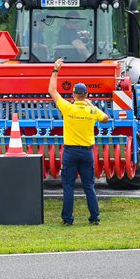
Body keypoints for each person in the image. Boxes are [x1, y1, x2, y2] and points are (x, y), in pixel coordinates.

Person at [48, 57, 109, 225]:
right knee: (89, 186)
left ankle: (67, 219)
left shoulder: (68, 108)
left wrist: (56, 70)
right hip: (87, 152)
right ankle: (94, 218)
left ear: (73, 94)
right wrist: (91, 105)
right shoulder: (91, 111)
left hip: (70, 152)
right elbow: (106, 119)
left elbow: (52, 90)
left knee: (68, 186)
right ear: (86, 95)